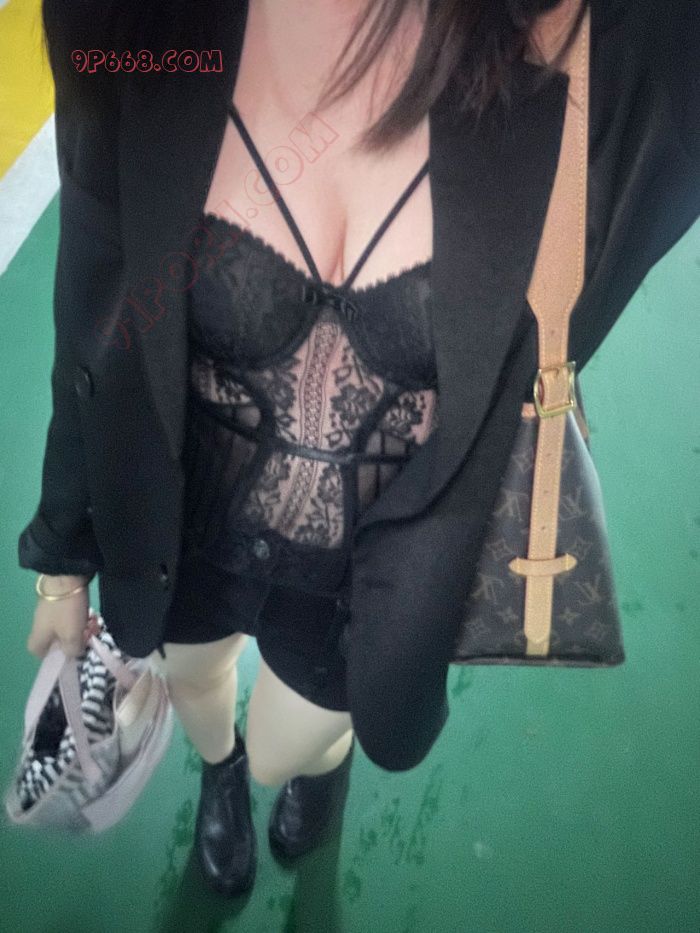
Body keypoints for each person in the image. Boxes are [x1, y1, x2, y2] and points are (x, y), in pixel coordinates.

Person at [19, 0, 699, 898]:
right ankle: (219, 768)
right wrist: (63, 557)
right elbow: (94, 297)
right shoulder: (137, 24)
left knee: (291, 744)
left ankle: (309, 764)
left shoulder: (629, 60)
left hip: (364, 590)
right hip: (179, 532)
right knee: (202, 689)